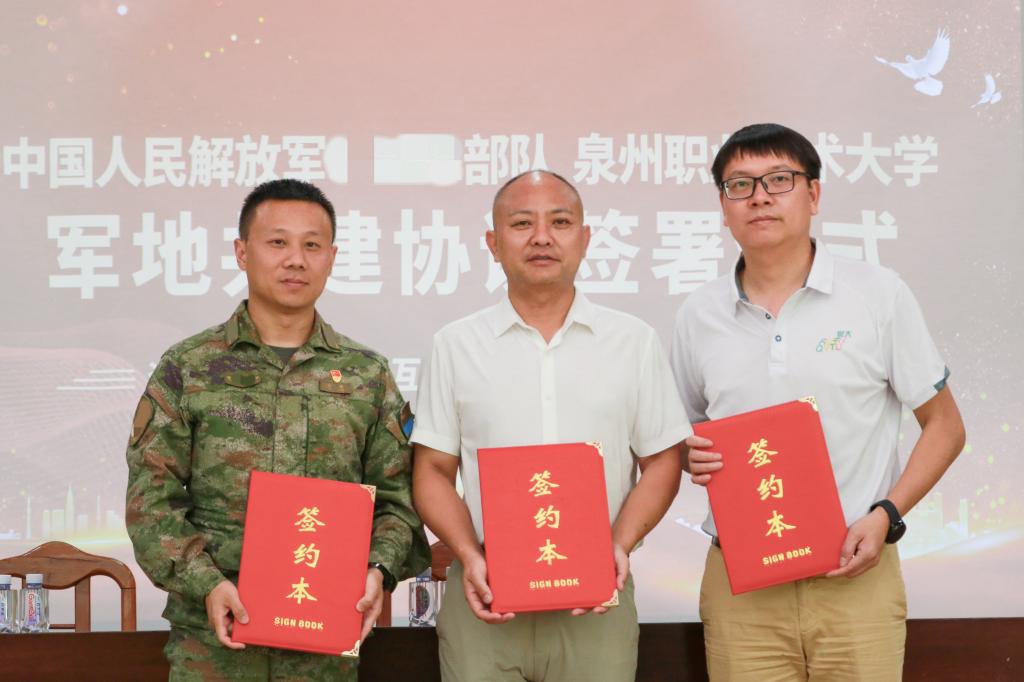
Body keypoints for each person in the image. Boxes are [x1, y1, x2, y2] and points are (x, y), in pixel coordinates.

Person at [670, 123, 966, 681]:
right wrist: (690, 453)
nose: (759, 197)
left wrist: (887, 516)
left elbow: (945, 426)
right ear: (723, 206)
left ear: (814, 194)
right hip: (742, 582)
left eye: (778, 180)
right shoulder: (698, 314)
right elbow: (684, 432)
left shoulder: (877, 294)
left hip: (855, 571)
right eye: (740, 185)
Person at [125, 178, 430, 681]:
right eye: (278, 242)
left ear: (331, 258)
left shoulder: (366, 374)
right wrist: (206, 584)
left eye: (312, 245)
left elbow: (398, 498)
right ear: (242, 252)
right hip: (213, 643)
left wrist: (379, 570)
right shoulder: (190, 366)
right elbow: (150, 498)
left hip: (324, 644)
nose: (296, 260)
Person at [411, 170, 691, 682]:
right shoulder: (455, 345)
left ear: (585, 239)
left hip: (598, 599)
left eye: (560, 222)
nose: (542, 237)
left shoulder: (633, 341)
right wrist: (468, 555)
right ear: (493, 243)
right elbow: (431, 469)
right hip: (485, 593)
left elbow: (662, 461)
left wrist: (618, 545)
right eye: (522, 223)